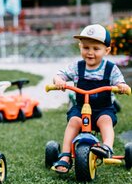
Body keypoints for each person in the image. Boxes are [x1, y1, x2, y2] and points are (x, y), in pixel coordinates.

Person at [52, 24, 130, 174]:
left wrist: (121, 86)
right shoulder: (77, 67)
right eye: (86, 47)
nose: (90, 52)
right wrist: (59, 81)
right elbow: (59, 75)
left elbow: (120, 81)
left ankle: (106, 147)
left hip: (103, 108)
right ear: (80, 47)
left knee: (106, 120)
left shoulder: (110, 68)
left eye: (96, 48)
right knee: (74, 121)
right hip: (81, 108)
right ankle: (66, 155)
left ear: (106, 50)